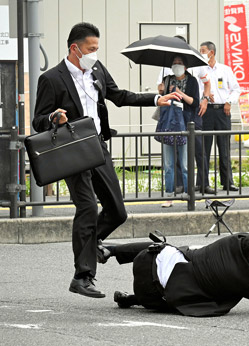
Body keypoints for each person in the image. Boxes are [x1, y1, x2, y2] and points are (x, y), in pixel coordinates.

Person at [32, 22, 181, 298]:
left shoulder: (97, 70)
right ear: (74, 48)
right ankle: (83, 275)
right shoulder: (52, 79)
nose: (95, 54)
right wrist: (54, 117)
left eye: (97, 49)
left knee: (117, 211)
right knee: (87, 208)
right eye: (91, 49)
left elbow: (119, 96)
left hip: (97, 147)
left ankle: (92, 243)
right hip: (72, 149)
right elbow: (37, 120)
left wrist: (156, 99)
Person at [101, 233, 249, 317]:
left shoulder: (234, 240)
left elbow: (248, 238)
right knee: (183, 297)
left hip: (146, 259)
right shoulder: (244, 279)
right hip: (152, 293)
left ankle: (111, 250)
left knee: (166, 248)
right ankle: (133, 299)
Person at [157, 35, 215, 194]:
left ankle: (202, 184)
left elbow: (207, 83)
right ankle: (177, 186)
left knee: (197, 150)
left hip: (191, 117)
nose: (177, 65)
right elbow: (160, 91)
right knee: (173, 156)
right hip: (172, 119)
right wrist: (162, 91)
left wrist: (204, 99)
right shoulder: (166, 71)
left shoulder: (196, 63)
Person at [197, 41, 241, 192]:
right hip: (205, 111)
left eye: (203, 50)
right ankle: (203, 183)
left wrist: (229, 101)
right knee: (204, 149)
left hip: (223, 111)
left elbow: (236, 89)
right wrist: (206, 96)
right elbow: (196, 90)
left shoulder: (225, 70)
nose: (201, 52)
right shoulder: (198, 69)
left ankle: (227, 182)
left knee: (224, 148)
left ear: (212, 52)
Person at [158, 56, 200, 207]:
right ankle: (169, 196)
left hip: (185, 125)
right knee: (168, 164)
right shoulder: (167, 79)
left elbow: (194, 102)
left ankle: (190, 195)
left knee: (185, 164)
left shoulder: (192, 81)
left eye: (180, 63)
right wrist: (162, 93)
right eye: (174, 63)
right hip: (169, 124)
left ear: (186, 67)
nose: (177, 66)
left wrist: (179, 92)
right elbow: (163, 101)